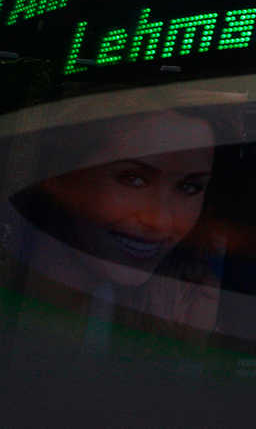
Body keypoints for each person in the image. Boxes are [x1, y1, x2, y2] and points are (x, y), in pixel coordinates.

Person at [0, 104, 228, 342]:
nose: (161, 221)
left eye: (187, 187)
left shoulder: (151, 320)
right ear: (54, 174)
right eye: (133, 179)